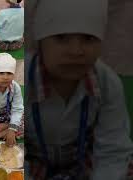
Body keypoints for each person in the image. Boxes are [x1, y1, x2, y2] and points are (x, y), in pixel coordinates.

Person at [26, 0, 133, 179]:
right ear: (40, 41)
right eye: (61, 37)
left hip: (87, 164)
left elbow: (113, 151)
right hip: (34, 164)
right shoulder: (26, 81)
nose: (76, 51)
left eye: (88, 38)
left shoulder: (107, 83)